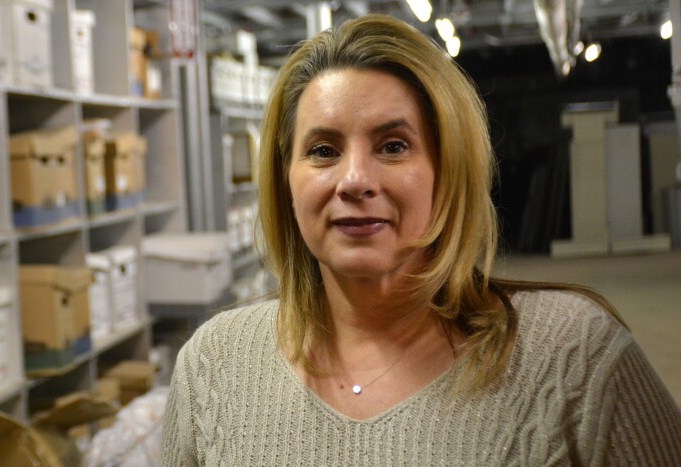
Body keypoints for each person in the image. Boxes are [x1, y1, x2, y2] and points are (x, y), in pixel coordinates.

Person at [161, 14, 681, 465]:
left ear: (446, 169)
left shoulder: (575, 356)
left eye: (392, 145)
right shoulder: (214, 364)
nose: (354, 180)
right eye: (323, 150)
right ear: (286, 180)